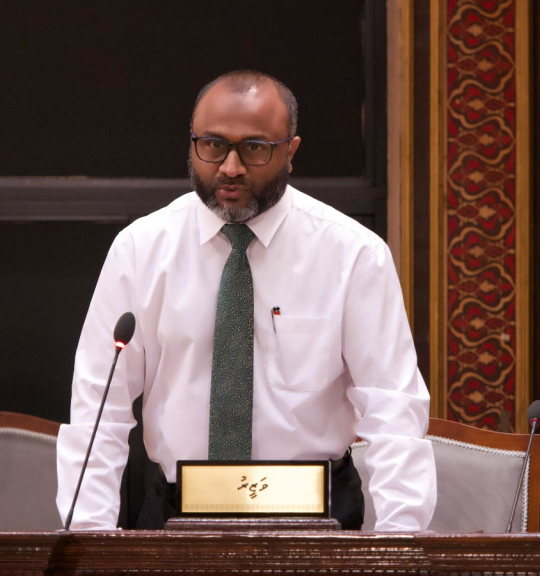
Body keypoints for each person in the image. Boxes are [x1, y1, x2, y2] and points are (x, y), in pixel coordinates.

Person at [56, 70, 436, 532]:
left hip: (316, 513)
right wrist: (88, 538)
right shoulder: (140, 250)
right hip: (177, 512)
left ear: (290, 151)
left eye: (254, 148)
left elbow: (393, 408)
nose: (230, 167)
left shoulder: (352, 254)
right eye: (213, 145)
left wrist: (400, 541)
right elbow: (99, 408)